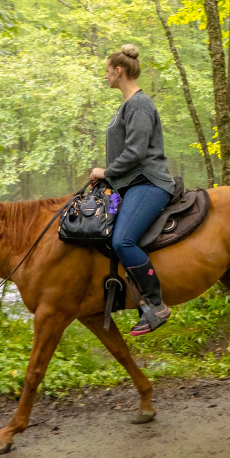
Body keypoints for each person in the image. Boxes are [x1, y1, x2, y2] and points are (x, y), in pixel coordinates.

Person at [90, 44, 176, 336]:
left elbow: (136, 151)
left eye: (107, 72)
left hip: (149, 183)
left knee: (123, 241)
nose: (105, 77)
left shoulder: (139, 104)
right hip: (132, 184)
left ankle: (156, 305)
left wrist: (106, 172)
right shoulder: (128, 105)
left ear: (118, 71)